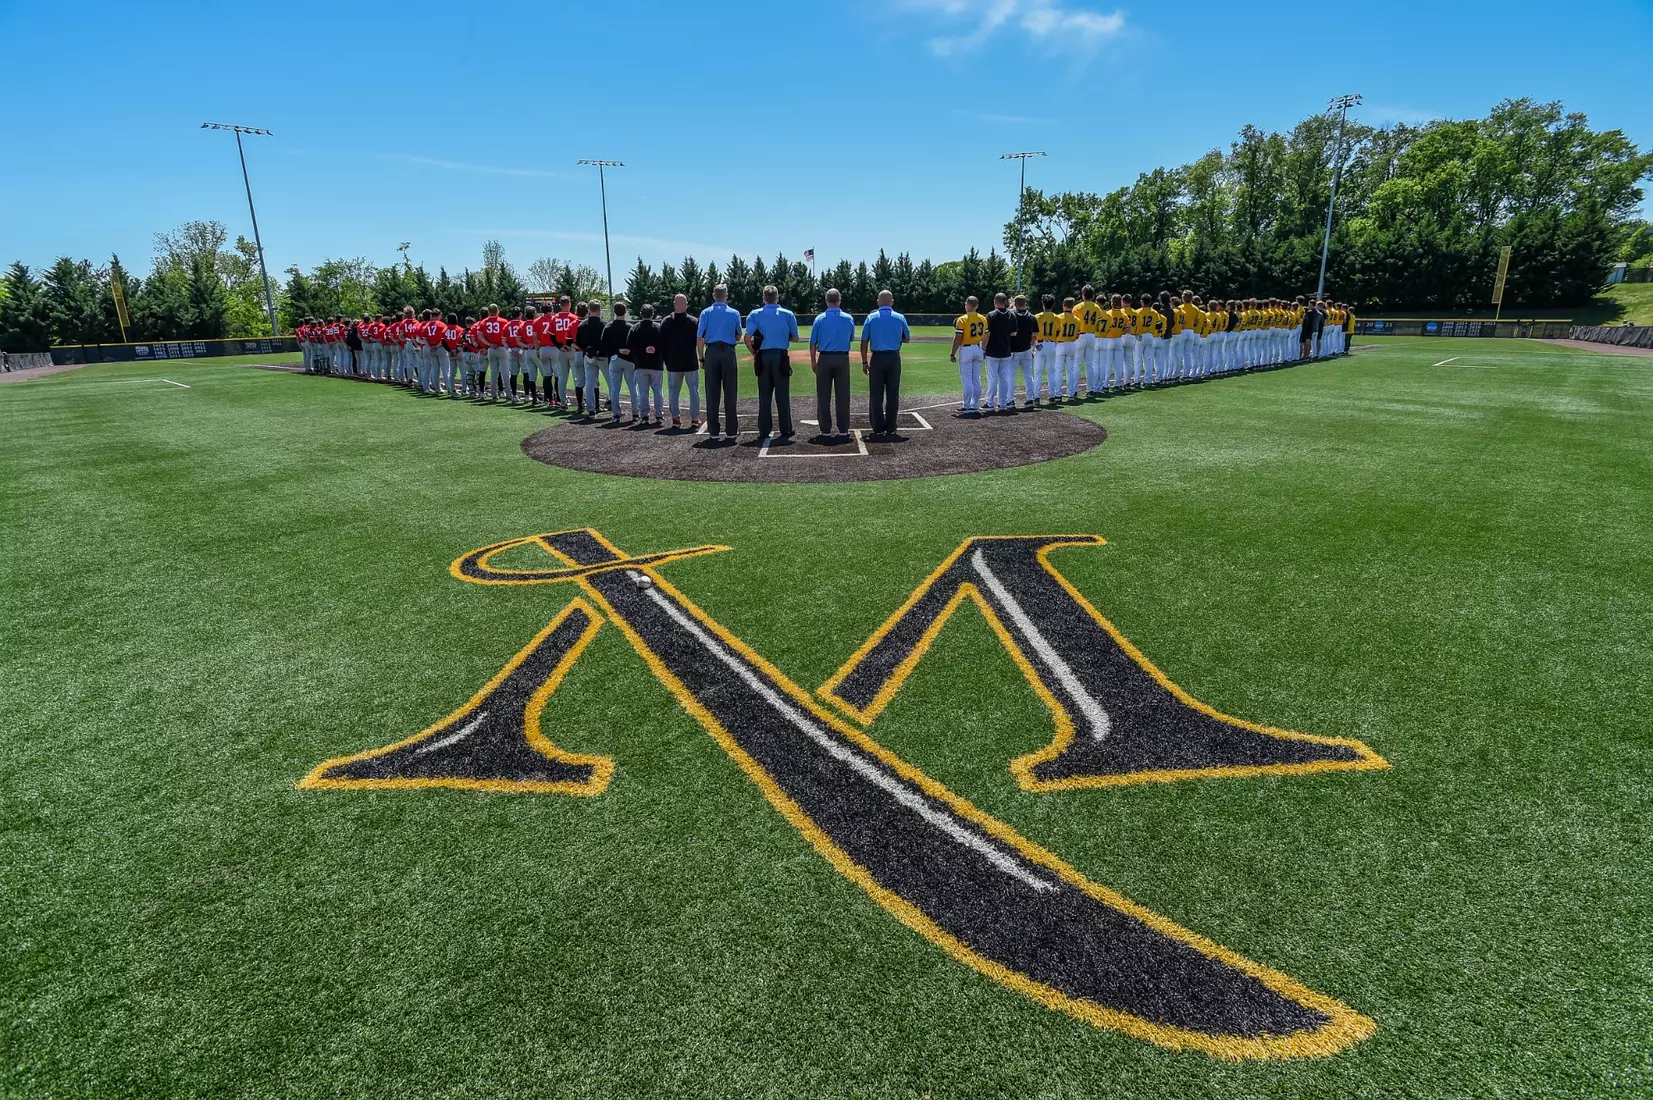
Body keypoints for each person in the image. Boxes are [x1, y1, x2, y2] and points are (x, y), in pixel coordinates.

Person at [744, 284, 799, 440]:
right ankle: (786, 429)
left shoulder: (754, 314)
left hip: (763, 356)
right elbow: (795, 337)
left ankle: (764, 430)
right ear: (777, 298)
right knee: (782, 395)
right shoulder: (787, 314)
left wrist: (754, 352)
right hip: (780, 356)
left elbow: (747, 338)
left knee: (764, 395)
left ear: (763, 298)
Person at [860, 289, 910, 439]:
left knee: (876, 394)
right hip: (894, 358)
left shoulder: (871, 317)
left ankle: (878, 427)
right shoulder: (900, 318)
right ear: (892, 302)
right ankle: (891, 427)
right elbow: (907, 338)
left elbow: (864, 342)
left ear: (878, 302)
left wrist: (864, 361)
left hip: (877, 358)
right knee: (893, 393)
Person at [696, 283, 743, 440]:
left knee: (712, 393)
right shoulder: (734, 313)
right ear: (726, 296)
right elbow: (738, 336)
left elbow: (700, 337)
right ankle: (731, 431)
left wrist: (701, 357)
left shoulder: (705, 313)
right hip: (728, 352)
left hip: (712, 352)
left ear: (713, 296)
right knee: (730, 392)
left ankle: (714, 432)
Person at [809, 288, 855, 440]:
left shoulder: (819, 319)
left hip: (825, 359)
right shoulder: (848, 318)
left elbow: (813, 342)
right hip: (842, 359)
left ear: (826, 301)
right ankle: (843, 429)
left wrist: (813, 361)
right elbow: (851, 338)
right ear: (840, 300)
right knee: (843, 395)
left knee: (823, 395)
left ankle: (825, 430)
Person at [658, 293, 700, 428]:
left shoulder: (666, 321)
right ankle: (694, 419)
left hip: (673, 363)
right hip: (690, 362)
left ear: (674, 304)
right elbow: (698, 341)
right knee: (693, 391)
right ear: (686, 305)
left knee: (674, 392)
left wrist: (664, 359)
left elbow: (661, 343)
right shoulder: (694, 321)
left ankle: (676, 419)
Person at [628, 303, 665, 426]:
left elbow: (630, 345)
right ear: (652, 314)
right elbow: (664, 344)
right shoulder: (658, 327)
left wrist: (643, 350)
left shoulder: (635, 328)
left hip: (640, 364)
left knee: (643, 392)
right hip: (656, 364)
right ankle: (659, 415)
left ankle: (644, 416)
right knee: (658, 391)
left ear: (641, 314)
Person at [600, 300, 636, 424]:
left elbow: (604, 344)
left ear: (614, 312)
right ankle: (635, 413)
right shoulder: (630, 327)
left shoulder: (608, 326)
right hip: (629, 360)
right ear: (625, 312)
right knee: (632, 387)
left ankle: (616, 414)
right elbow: (635, 344)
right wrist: (628, 350)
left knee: (615, 388)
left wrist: (616, 350)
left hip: (614, 359)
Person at [950, 295, 987, 415]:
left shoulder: (962, 319)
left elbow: (958, 338)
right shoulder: (983, 318)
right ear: (976, 306)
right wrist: (984, 349)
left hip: (966, 349)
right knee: (976, 378)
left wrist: (952, 353)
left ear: (968, 305)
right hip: (978, 347)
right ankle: (975, 404)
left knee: (967, 378)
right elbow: (986, 336)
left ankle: (967, 405)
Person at [984, 292, 1016, 412]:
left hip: (993, 350)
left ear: (995, 301)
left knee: (992, 378)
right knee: (1004, 379)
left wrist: (984, 348)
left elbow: (988, 333)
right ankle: (1002, 403)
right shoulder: (1011, 315)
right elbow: (1014, 333)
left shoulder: (991, 315)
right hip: (1006, 350)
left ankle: (990, 402)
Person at [574, 301, 606, 416]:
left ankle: (591, 409)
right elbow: (606, 342)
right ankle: (615, 408)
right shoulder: (604, 324)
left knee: (589, 383)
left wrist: (587, 349)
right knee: (612, 382)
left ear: (589, 310)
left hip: (588, 356)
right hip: (602, 356)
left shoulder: (582, 324)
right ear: (599, 310)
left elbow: (578, 342)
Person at [550, 295, 581, 410]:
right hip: (572, 349)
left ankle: (563, 402)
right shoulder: (573, 317)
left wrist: (559, 346)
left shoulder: (555, 318)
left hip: (561, 350)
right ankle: (579, 402)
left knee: (562, 377)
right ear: (569, 304)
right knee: (576, 377)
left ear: (560, 305)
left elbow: (551, 336)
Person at [1031, 295, 1061, 405]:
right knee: (1051, 372)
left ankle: (1036, 397)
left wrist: (1034, 344)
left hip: (1040, 344)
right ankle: (1052, 395)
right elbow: (1058, 332)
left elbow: (1033, 334)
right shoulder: (1057, 318)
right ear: (1052, 304)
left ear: (1043, 304)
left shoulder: (1037, 317)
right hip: (1051, 344)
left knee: (1037, 372)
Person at [1074, 284, 1101, 397]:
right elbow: (1099, 323)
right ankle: (1091, 389)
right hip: (1092, 335)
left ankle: (1073, 390)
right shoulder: (1096, 307)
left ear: (1083, 294)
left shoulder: (1078, 307)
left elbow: (1074, 323)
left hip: (1081, 335)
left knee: (1076, 364)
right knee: (1089, 364)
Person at [1011, 295, 1037, 407]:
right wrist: (1030, 346)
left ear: (1015, 304)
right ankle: (1030, 399)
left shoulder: (1012, 316)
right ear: (1025, 303)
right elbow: (1035, 335)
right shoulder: (1032, 317)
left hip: (1013, 350)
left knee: (1010, 376)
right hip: (1026, 349)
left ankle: (1010, 399)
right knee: (1028, 375)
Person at [478, 305, 508, 399]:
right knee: (505, 372)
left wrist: (489, 344)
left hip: (491, 348)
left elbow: (480, 336)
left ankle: (494, 393)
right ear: (497, 311)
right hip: (502, 348)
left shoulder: (483, 322)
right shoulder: (503, 321)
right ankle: (509, 393)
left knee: (493, 372)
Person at [1056, 297, 1081, 400]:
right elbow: (1077, 336)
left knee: (1058, 370)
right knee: (1070, 371)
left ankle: (1057, 394)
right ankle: (1071, 394)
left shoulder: (1058, 317)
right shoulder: (1077, 319)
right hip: (1071, 344)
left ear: (1063, 306)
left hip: (1060, 344)